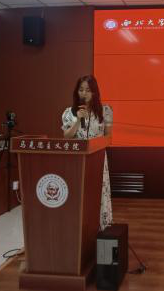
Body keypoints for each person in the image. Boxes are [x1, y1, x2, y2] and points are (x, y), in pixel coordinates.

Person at [61, 75, 113, 230]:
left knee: (97, 191)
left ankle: (98, 226)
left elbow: (108, 138)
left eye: (88, 90)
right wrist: (78, 120)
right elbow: (66, 136)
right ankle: (79, 227)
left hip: (98, 158)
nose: (84, 93)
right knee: (79, 192)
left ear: (95, 92)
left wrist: (95, 143)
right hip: (77, 160)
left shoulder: (105, 111)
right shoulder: (69, 112)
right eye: (81, 89)